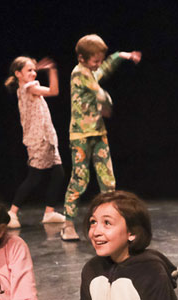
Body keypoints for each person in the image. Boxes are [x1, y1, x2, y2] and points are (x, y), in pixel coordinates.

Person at [61, 34, 141, 241]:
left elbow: (104, 68)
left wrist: (122, 56)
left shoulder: (92, 70)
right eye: (94, 61)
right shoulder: (79, 73)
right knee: (80, 179)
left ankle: (109, 219)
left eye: (99, 60)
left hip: (98, 133)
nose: (98, 65)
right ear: (81, 58)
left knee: (107, 179)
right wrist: (107, 105)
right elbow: (99, 92)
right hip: (80, 135)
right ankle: (68, 223)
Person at [4, 56, 67, 229]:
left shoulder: (29, 88)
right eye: (28, 70)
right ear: (18, 74)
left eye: (34, 69)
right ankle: (12, 213)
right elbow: (54, 91)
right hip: (38, 140)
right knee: (34, 177)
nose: (33, 73)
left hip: (47, 138)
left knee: (58, 173)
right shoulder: (29, 87)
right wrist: (52, 71)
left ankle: (49, 212)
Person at [80, 191, 178, 300]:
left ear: (132, 233)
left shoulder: (150, 270)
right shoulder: (92, 269)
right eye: (93, 222)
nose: (96, 232)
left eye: (107, 223)